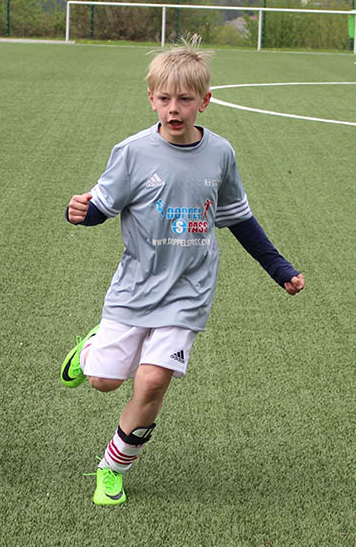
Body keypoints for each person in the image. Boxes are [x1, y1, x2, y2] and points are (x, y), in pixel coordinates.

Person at [61, 36, 305, 506]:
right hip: (135, 287)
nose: (174, 109)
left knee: (152, 382)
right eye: (165, 98)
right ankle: (89, 350)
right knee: (104, 382)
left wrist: (278, 267)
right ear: (151, 98)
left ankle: (111, 468)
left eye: (185, 99)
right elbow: (102, 206)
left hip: (190, 291)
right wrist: (81, 212)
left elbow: (238, 218)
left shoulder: (221, 154)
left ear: (205, 101)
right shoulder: (131, 151)